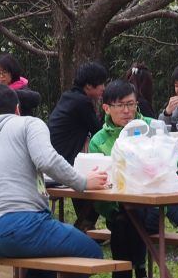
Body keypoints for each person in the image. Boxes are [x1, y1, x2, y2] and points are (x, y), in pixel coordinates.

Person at [0, 83, 109, 276]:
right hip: (22, 226)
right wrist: (83, 181)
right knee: (91, 253)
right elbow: (47, 160)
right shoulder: (28, 124)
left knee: (43, 267)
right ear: (17, 108)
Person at [89, 80, 178, 278]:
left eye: (131, 104)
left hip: (153, 205)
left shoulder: (152, 127)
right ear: (107, 108)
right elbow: (99, 185)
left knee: (129, 218)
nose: (127, 111)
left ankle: (127, 272)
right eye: (121, 105)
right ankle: (140, 269)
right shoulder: (99, 140)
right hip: (117, 207)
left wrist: (161, 160)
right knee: (124, 217)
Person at [49, 62, 110, 231]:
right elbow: (98, 131)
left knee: (85, 178)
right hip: (63, 160)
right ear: (89, 86)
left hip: (57, 157)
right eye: (101, 84)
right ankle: (85, 224)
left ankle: (85, 224)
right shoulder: (82, 102)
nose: (103, 89)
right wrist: (109, 111)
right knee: (99, 180)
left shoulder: (69, 96)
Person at [0, 53, 42, 118]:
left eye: (4, 72)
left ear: (12, 72)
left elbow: (36, 98)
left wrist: (8, 93)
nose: (1, 76)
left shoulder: (21, 87)